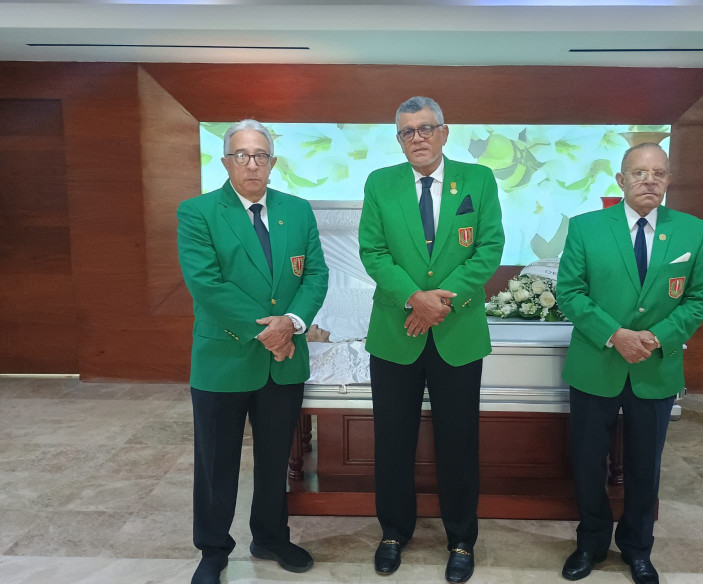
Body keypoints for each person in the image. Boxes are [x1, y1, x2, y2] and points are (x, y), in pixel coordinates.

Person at [556, 142, 703, 584]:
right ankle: (590, 544)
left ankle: (637, 548)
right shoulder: (586, 228)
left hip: (655, 367)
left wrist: (655, 337)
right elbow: (570, 292)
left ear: (668, 180)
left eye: (659, 173)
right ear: (621, 181)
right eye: (640, 173)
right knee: (589, 462)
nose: (650, 180)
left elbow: (700, 299)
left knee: (646, 466)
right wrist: (615, 335)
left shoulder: (694, 232)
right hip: (597, 363)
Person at [358, 96, 504, 583]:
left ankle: (462, 539)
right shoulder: (380, 183)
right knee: (393, 440)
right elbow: (373, 252)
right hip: (396, 331)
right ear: (398, 140)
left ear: (444, 132)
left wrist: (441, 302)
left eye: (425, 128)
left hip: (457, 330)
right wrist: (413, 298)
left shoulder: (478, 180)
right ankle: (393, 533)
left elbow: (489, 248)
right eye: (406, 132)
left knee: (459, 442)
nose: (417, 138)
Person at [177, 119, 328, 584]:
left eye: (261, 155)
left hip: (283, 362)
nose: (252, 164)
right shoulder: (197, 212)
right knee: (216, 461)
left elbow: (315, 275)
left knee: (275, 458)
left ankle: (270, 537)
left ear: (273, 163)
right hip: (225, 359)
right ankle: (214, 550)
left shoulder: (297, 210)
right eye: (241, 154)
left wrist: (294, 323)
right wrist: (267, 330)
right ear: (225, 161)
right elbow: (206, 284)